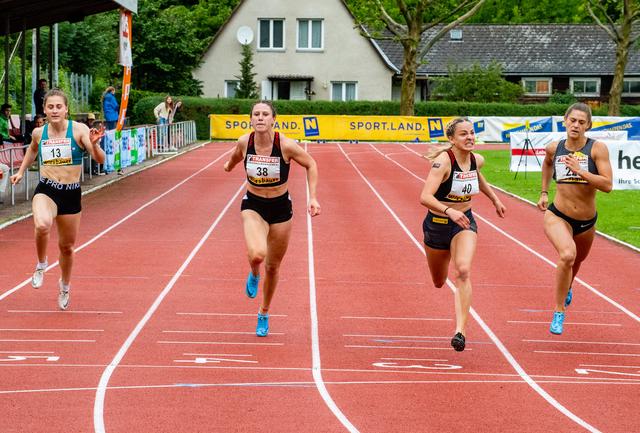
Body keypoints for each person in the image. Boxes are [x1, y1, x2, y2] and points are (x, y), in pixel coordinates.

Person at [223, 100, 320, 337]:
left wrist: (313, 197)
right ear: (250, 119)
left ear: (273, 120)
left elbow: (311, 164)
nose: (260, 118)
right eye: (256, 114)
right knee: (257, 254)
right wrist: (228, 166)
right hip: (254, 205)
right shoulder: (245, 142)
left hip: (280, 208)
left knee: (274, 267)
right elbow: (237, 156)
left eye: (265, 114)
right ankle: (254, 273)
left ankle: (264, 312)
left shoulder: (286, 145)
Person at [10, 88, 105, 310]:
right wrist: (22, 171)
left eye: (58, 106)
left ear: (66, 109)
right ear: (44, 110)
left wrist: (96, 143)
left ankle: (64, 285)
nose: (54, 110)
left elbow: (99, 159)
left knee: (67, 248)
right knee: (42, 225)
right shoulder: (38, 133)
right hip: (47, 189)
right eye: (50, 107)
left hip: (71, 194)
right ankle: (42, 263)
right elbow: (32, 151)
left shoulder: (79, 130)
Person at [420, 117, 506, 351]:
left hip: (464, 223)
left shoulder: (477, 159)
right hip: (437, 225)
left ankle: (460, 331)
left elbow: (477, 176)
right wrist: (448, 211)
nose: (470, 138)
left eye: (472, 133)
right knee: (439, 281)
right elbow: (425, 196)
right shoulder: (443, 162)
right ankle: (442, 264)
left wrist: (495, 199)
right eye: (463, 134)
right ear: (452, 139)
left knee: (464, 270)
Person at [537, 103, 612, 335]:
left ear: (588, 125)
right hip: (558, 215)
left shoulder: (597, 149)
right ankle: (559, 311)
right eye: (573, 120)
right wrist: (543, 192)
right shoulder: (554, 147)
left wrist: (581, 171)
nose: (576, 125)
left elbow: (608, 185)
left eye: (581, 122)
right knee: (567, 255)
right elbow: (547, 163)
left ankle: (568, 286)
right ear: (565, 121)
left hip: (587, 221)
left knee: (577, 260)